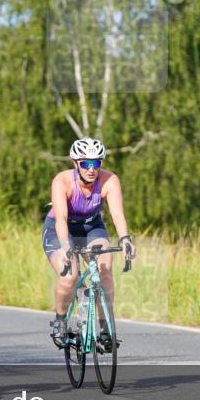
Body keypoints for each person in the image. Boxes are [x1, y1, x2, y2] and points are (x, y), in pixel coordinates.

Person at [42, 138, 136, 350]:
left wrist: (125, 239)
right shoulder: (62, 181)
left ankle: (105, 329)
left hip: (91, 227)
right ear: (76, 163)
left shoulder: (109, 180)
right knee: (69, 275)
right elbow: (61, 220)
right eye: (86, 164)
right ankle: (60, 321)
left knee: (105, 270)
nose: (92, 169)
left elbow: (117, 214)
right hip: (59, 230)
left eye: (97, 163)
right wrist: (66, 246)